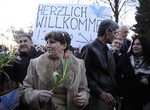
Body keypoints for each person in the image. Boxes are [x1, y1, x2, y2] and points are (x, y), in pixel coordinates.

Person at [20, 31, 90, 110]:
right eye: (47, 42)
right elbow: (24, 91)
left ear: (64, 45)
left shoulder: (79, 64)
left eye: (52, 42)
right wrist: (37, 95)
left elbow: (84, 90)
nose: (47, 46)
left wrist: (84, 98)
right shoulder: (34, 63)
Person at [81, 19, 119, 110]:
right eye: (115, 33)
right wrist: (100, 92)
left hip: (109, 97)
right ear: (107, 32)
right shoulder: (89, 49)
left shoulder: (109, 51)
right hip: (96, 98)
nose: (116, 36)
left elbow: (111, 74)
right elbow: (83, 75)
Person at [4, 34, 44, 110]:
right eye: (20, 42)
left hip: (39, 94)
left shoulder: (41, 55)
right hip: (22, 95)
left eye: (25, 41)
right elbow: (8, 76)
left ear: (31, 43)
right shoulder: (14, 58)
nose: (22, 44)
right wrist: (8, 61)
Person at [116, 36, 150, 110]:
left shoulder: (148, 61)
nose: (135, 46)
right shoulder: (126, 59)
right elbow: (117, 74)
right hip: (127, 101)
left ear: (144, 45)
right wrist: (120, 92)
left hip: (145, 102)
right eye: (133, 44)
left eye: (138, 44)